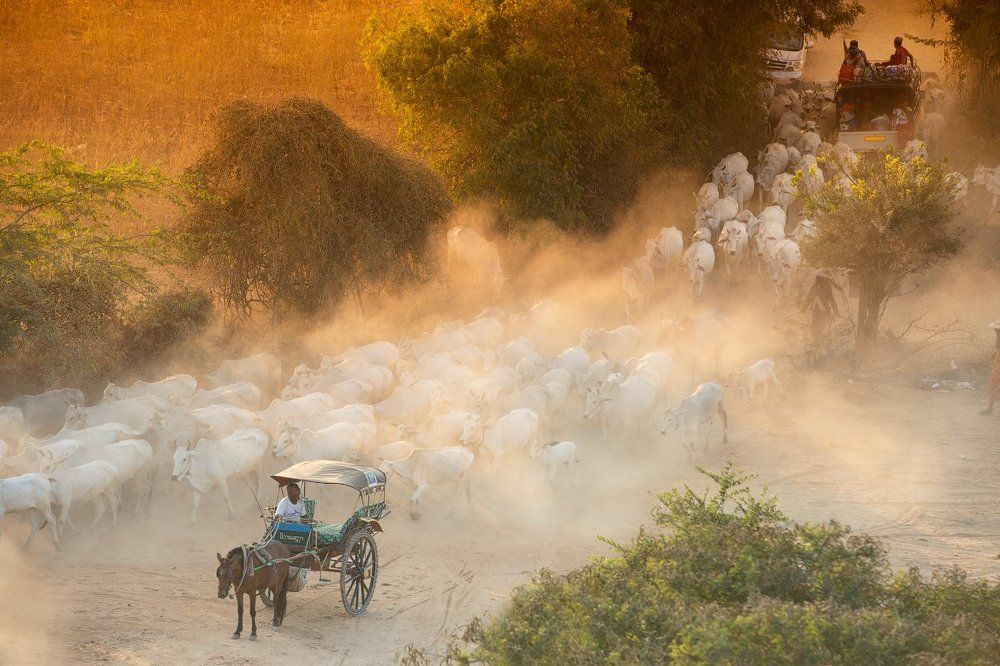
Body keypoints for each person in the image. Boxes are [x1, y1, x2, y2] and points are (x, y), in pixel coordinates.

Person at [981, 320, 1000, 415]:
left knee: (994, 384)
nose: (995, 330)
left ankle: (990, 409)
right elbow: (996, 348)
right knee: (994, 384)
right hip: (998, 363)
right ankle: (990, 408)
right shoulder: (998, 336)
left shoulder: (998, 336)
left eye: (997, 329)